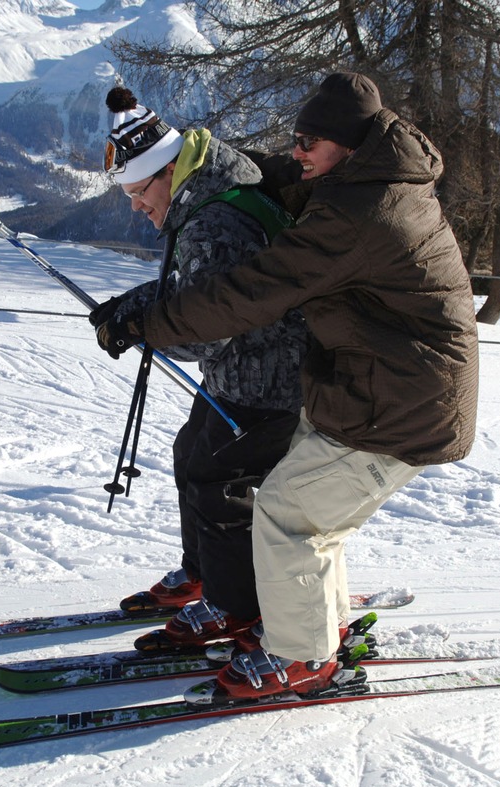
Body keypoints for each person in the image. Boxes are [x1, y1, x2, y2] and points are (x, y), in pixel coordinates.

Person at [96, 73, 479, 700]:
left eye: (308, 142)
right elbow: (271, 171)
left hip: (402, 402)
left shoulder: (360, 212)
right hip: (374, 387)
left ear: (348, 146)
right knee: (304, 515)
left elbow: (252, 291)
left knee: (286, 512)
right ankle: (314, 629)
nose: (296, 151)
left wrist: (146, 321)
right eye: (297, 139)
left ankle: (301, 656)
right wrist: (199, 154)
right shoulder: (358, 181)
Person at [94, 86, 309, 649]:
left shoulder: (213, 222)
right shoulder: (214, 183)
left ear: (168, 171)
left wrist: (140, 324)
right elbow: (201, 288)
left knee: (219, 479)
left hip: (269, 375)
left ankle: (233, 604)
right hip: (250, 366)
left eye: (139, 192)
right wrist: (134, 305)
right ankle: (207, 574)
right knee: (192, 452)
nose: (138, 207)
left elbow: (203, 327)